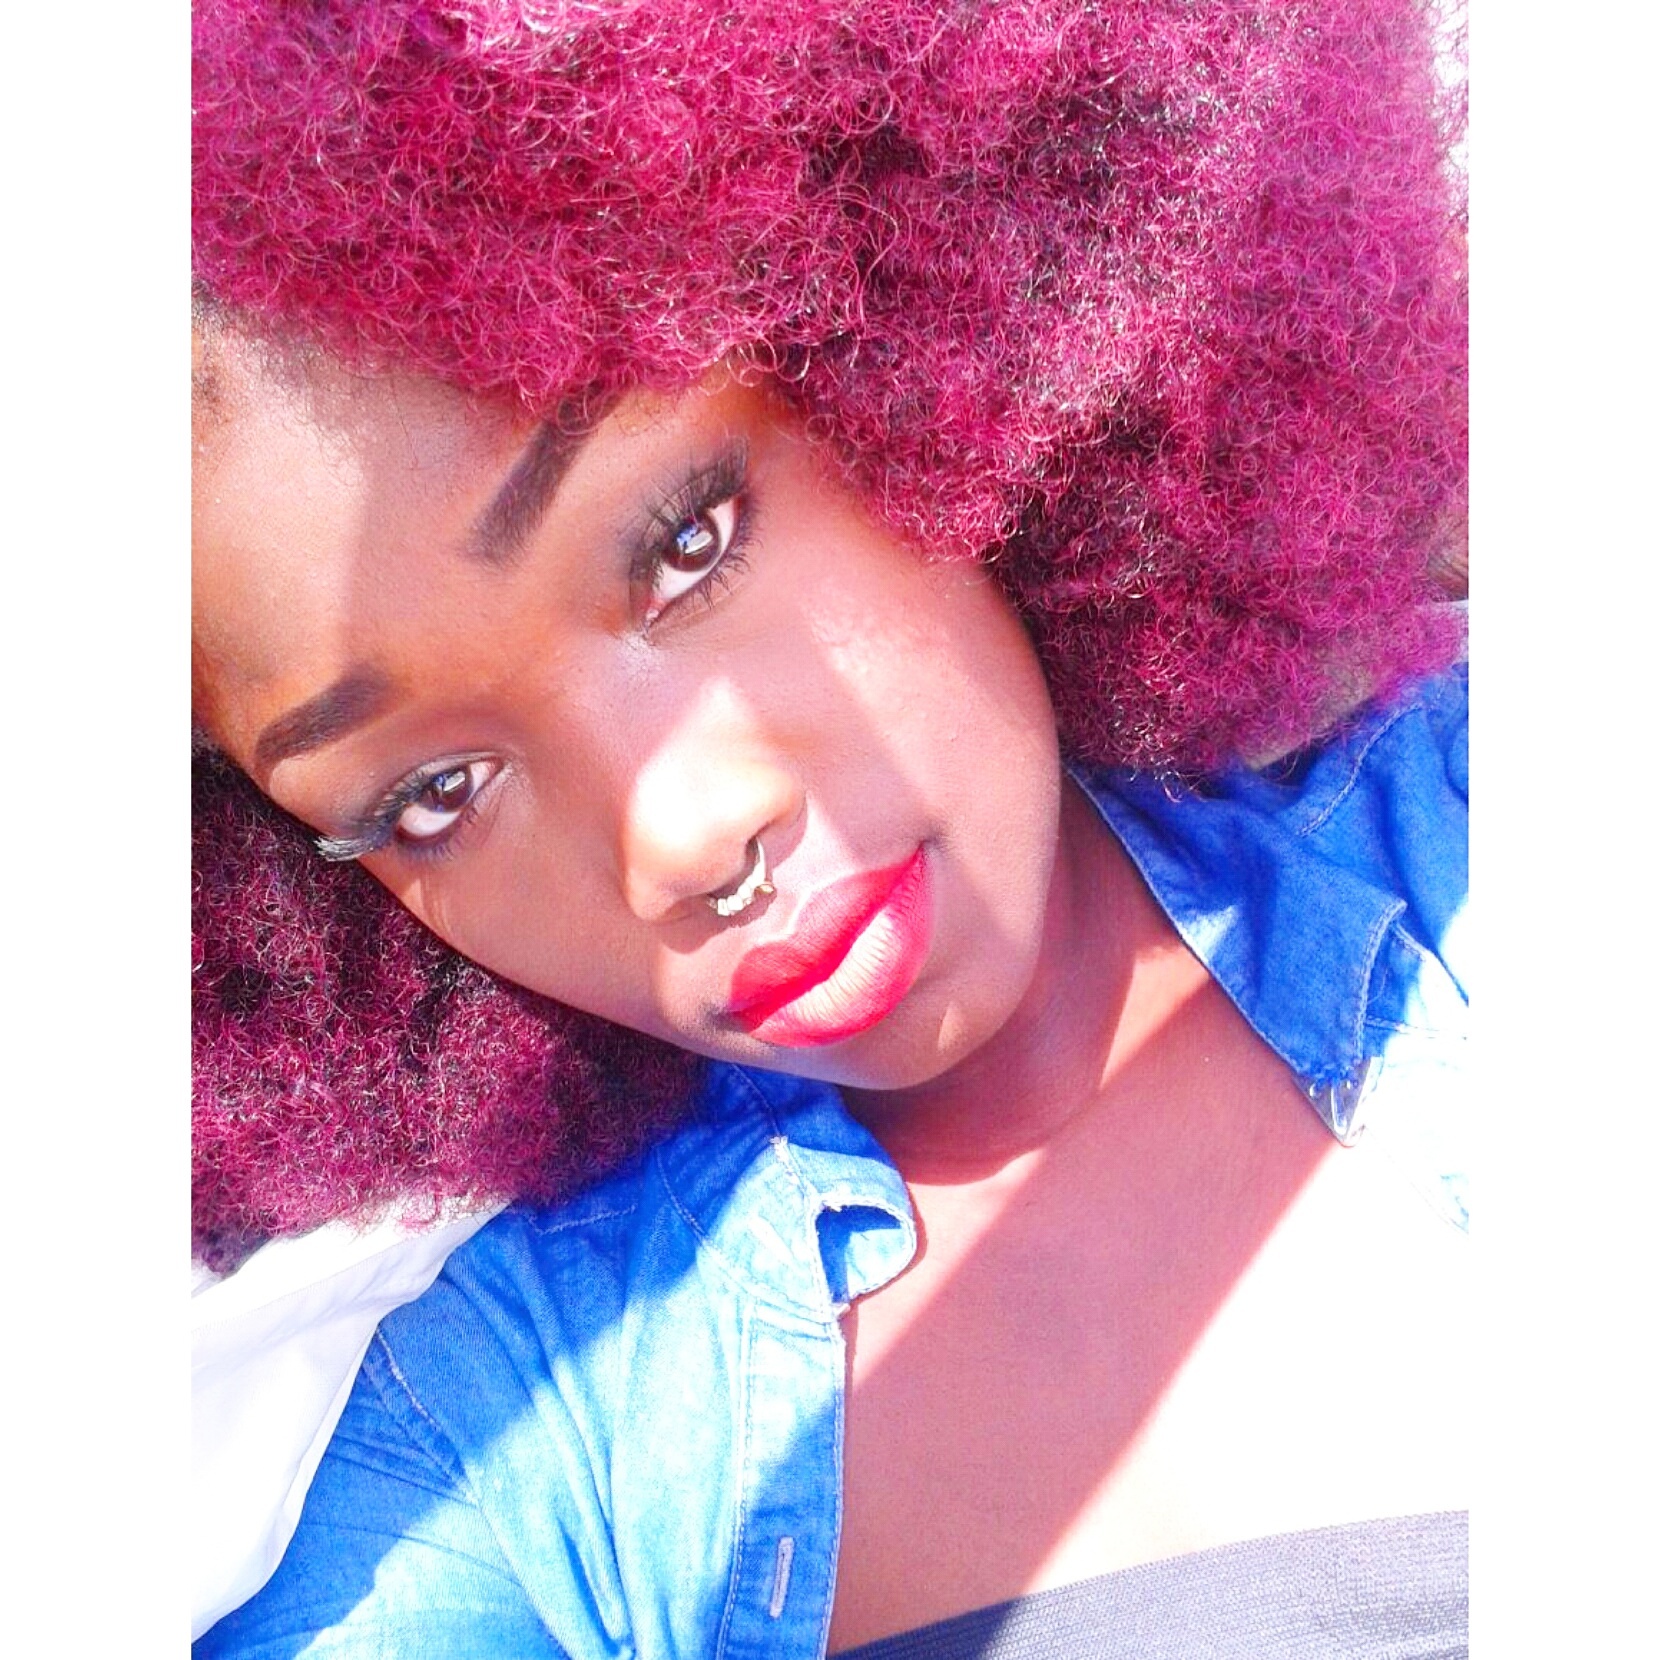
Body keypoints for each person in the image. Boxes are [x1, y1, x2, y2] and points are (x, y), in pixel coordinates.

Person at [191, 0, 1469, 1653]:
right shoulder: (499, 1455)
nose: (680, 836)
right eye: (431, 797)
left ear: (927, 349)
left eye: (687, 544)